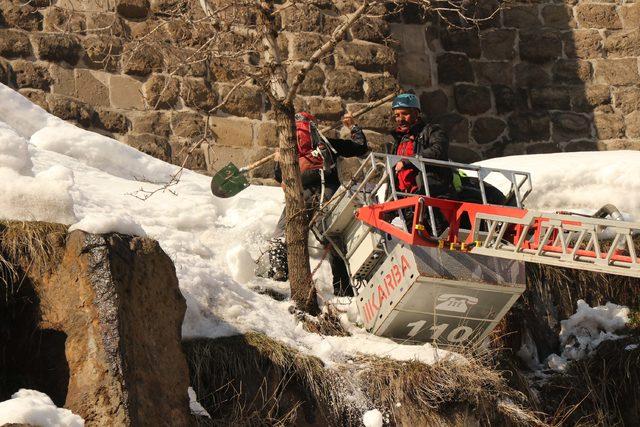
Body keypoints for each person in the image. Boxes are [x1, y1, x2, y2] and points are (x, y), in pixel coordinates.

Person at [264, 111, 368, 297]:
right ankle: (343, 290)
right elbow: (359, 147)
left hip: (300, 196)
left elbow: (280, 178)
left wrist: (277, 161)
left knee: (281, 234)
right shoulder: (327, 143)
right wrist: (353, 127)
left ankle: (279, 276)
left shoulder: (290, 151)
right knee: (332, 237)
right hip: (328, 192)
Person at [389, 93, 454, 235]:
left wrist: (407, 161)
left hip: (430, 195)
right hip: (405, 201)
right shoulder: (398, 140)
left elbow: (438, 150)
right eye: (397, 115)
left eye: (404, 114)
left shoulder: (432, 130)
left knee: (436, 236)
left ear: (416, 113)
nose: (400, 119)